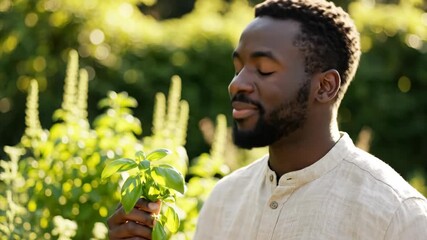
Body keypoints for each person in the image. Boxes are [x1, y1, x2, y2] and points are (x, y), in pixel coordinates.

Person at [107, 0, 427, 239]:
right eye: (238, 68)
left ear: (324, 86)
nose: (237, 84)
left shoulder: (397, 216)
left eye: (264, 69)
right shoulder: (223, 199)